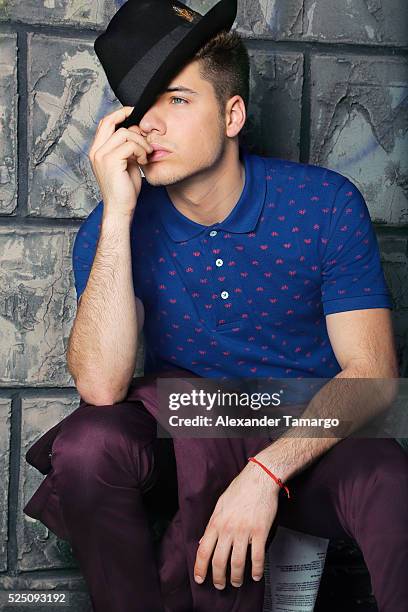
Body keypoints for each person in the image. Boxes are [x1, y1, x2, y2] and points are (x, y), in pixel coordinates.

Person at [23, 11, 408, 612]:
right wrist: (118, 213)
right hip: (189, 435)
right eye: (139, 105)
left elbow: (373, 376)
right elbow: (100, 387)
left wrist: (264, 474)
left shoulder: (323, 203)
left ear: (233, 115)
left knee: (392, 481)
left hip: (307, 431)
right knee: (87, 444)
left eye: (177, 99)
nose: (150, 124)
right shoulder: (112, 226)